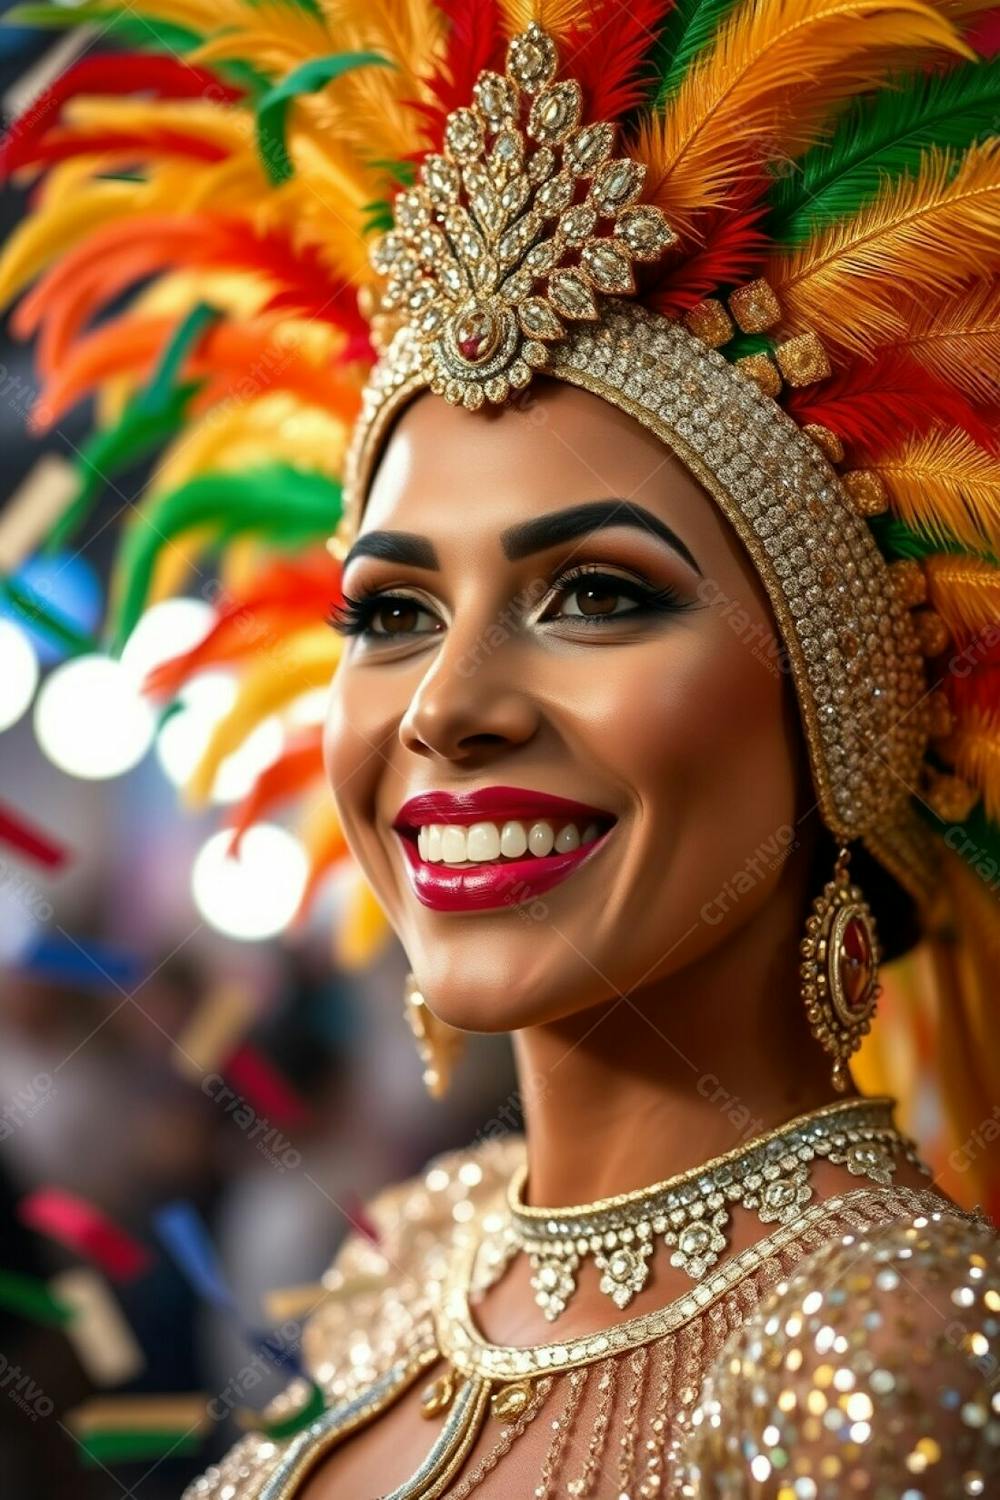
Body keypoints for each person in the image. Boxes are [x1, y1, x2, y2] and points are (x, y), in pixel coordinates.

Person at [1, 3, 999, 1495]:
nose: (444, 705)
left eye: (597, 594)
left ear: (838, 708)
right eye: (390, 609)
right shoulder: (408, 1259)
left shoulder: (890, 1347)